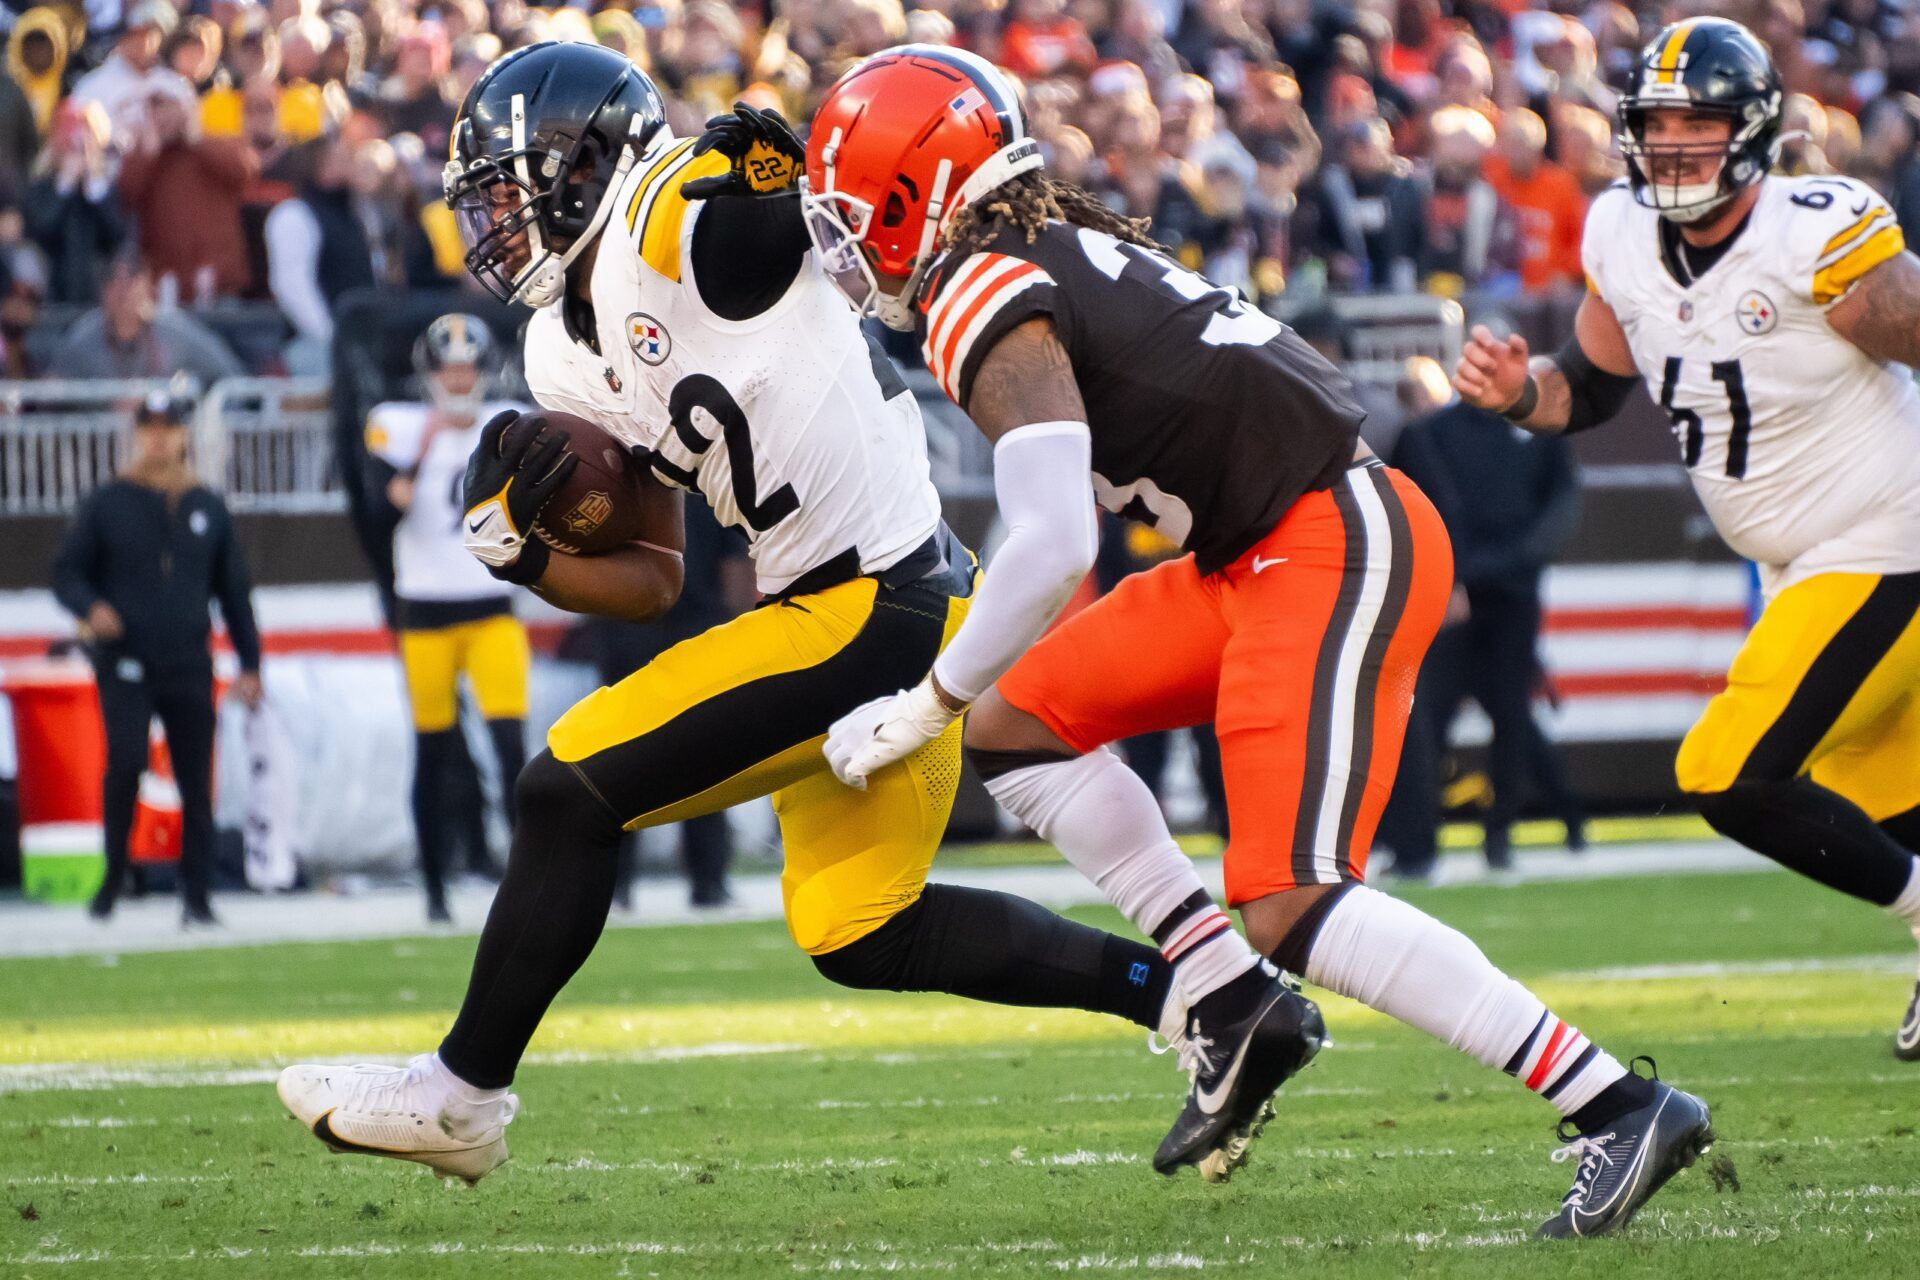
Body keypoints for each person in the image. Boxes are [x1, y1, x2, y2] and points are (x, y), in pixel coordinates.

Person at [276, 42, 1318, 1188]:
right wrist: (530, 563)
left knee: (564, 787)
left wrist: (766, 170)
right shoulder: (555, 343)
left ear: (587, 166)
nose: (498, 224)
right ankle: (1206, 999)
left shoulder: (667, 216)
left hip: (876, 600)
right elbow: (655, 576)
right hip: (858, 599)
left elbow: (766, 207)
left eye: (514, 191)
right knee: (860, 925)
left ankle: (461, 1092)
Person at [806, 43, 1710, 1238]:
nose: (848, 244)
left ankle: (1618, 1102)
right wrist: (963, 700)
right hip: (1251, 550)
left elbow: (1049, 544)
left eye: (856, 211)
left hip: (1326, 537)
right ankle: (1231, 997)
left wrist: (924, 698)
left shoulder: (981, 281)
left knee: (1288, 895)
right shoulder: (1044, 246)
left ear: (924, 186)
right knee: (1018, 717)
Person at [1453, 17, 1920, 1065]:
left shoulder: (1814, 228)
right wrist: (1518, 391)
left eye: (1696, 124)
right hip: (1801, 559)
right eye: (1655, 125)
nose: (1671, 147)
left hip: (1887, 539)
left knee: (1728, 769)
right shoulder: (1617, 230)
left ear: (1750, 132)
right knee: (1887, 793)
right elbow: (1592, 386)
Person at [51, 392, 264, 927]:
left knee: (197, 778)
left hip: (189, 660)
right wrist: (91, 607)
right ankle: (115, 872)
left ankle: (197, 894)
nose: (160, 438)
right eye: (151, 428)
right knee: (125, 763)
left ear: (184, 435)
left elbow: (234, 593)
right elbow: (66, 571)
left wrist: (251, 662)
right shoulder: (109, 502)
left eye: (169, 428)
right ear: (138, 434)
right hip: (125, 659)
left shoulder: (206, 506)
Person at [363, 314, 529, 924]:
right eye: (449, 368)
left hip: (491, 612)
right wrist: (418, 460)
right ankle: (435, 890)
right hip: (425, 614)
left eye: (468, 368)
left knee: (513, 749)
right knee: (431, 752)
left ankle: (524, 882)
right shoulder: (398, 427)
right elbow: (377, 522)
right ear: (429, 374)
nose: (459, 380)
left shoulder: (505, 424)